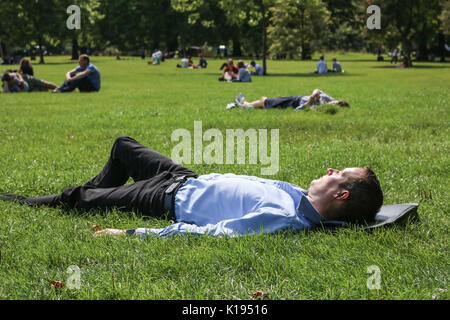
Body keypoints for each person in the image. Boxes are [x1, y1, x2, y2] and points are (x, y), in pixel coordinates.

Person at [0, 136, 383, 238]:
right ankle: (96, 194)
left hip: (164, 198)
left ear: (341, 194)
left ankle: (26, 201)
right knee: (123, 146)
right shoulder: (297, 195)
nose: (330, 169)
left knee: (81, 199)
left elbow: (214, 233)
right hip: (184, 177)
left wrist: (133, 232)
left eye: (338, 173)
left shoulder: (284, 218)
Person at [227, 89, 349, 110]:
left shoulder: (320, 109)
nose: (330, 102)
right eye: (334, 101)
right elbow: (318, 90)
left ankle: (243, 105)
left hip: (294, 103)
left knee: (265, 101)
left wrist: (309, 103)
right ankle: (246, 105)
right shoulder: (327, 99)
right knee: (264, 100)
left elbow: (298, 110)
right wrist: (315, 94)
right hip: (297, 97)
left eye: (333, 104)